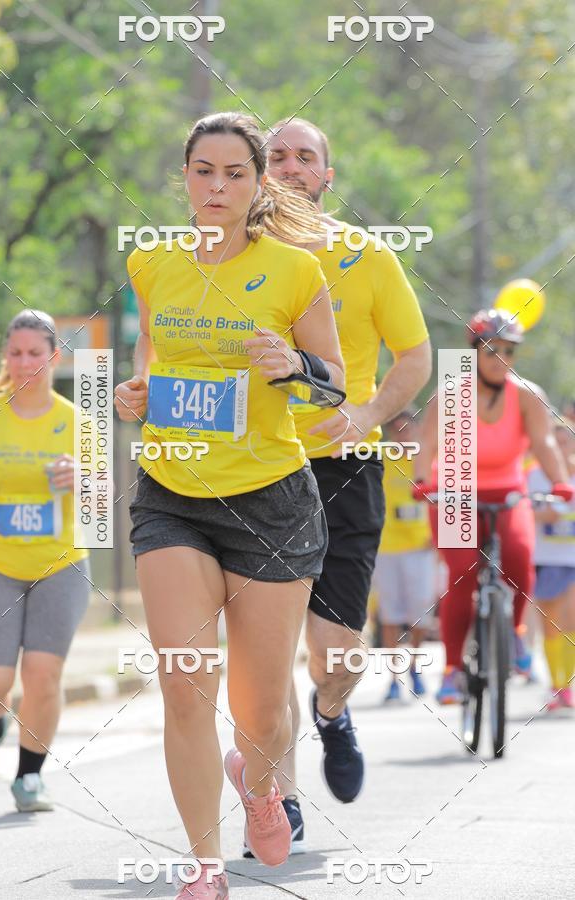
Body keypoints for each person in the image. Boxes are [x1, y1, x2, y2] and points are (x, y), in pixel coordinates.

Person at [114, 112, 344, 899]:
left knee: (261, 709)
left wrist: (294, 365)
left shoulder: (294, 271)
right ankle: (204, 866)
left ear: (257, 183)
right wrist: (136, 392)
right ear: (185, 177)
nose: (217, 187)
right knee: (185, 685)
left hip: (271, 503)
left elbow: (334, 382)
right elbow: (154, 356)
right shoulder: (151, 263)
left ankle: (260, 782)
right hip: (172, 495)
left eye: (235, 174)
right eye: (203, 171)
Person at [262, 118, 430, 849]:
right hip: (256, 469)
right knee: (264, 653)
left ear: (327, 176)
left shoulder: (366, 254)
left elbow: (415, 356)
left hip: (343, 467)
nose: (290, 166)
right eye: (276, 155)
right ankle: (278, 800)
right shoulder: (230, 254)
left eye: (306, 157)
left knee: (335, 657)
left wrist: (365, 415)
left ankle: (331, 712)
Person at [413, 309, 574, 703]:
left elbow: (544, 442)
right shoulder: (451, 393)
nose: (501, 358)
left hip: (507, 492)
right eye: (492, 350)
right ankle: (452, 670)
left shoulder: (528, 395)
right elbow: (427, 444)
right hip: (454, 491)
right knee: (462, 574)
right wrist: (422, 481)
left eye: (509, 351)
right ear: (474, 352)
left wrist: (560, 482)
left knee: (519, 559)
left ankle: (515, 633)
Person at [0, 309, 90, 811]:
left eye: (35, 354)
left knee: (42, 675)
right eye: (16, 353)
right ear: (7, 357)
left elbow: (104, 502)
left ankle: (29, 778)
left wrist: (82, 478)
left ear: (54, 357)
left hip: (59, 566)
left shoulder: (78, 421)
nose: (25, 363)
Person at [371, 410, 435, 702]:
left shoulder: (427, 460)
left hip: (420, 547)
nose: (403, 435)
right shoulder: (382, 459)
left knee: (420, 611)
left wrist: (438, 535)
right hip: (388, 547)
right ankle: (393, 678)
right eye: (397, 430)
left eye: (407, 429)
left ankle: (415, 666)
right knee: (390, 615)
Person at [528, 421, 575, 709]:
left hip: (572, 560)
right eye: (554, 443)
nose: (560, 449)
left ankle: (567, 686)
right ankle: (555, 684)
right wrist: (542, 515)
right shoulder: (534, 477)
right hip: (544, 559)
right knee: (550, 626)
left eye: (565, 442)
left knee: (571, 620)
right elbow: (522, 510)